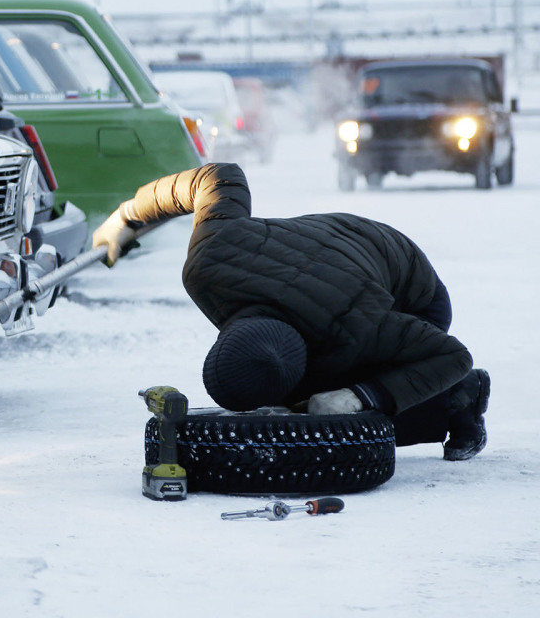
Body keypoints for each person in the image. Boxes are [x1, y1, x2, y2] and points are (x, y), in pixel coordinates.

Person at [91, 162, 490, 460]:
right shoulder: (210, 259)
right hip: (338, 246)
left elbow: (452, 355)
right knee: (308, 401)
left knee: (334, 415)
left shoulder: (360, 328)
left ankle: (460, 400)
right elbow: (217, 177)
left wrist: (360, 396)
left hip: (408, 288)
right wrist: (128, 216)